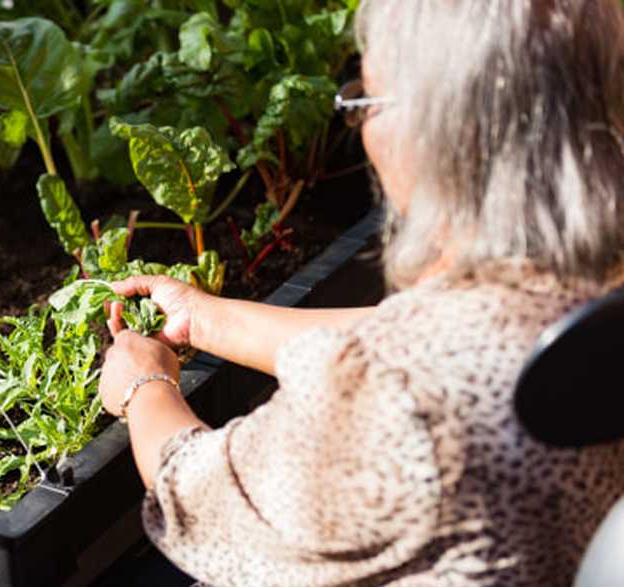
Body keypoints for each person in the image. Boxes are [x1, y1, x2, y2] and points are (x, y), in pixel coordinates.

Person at [98, 0, 624, 585]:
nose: (364, 131)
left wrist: (143, 387)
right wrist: (203, 319)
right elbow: (428, 332)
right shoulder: (589, 280)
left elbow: (210, 504)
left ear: (442, 130)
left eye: (364, 102)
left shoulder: (402, 396)